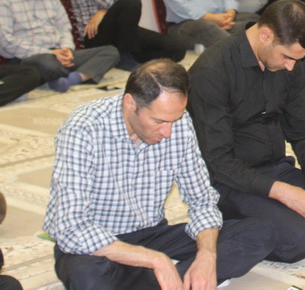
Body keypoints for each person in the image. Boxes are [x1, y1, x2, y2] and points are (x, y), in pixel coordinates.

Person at [43, 59, 275, 289]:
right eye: (159, 121)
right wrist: (156, 260)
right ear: (130, 103)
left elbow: (202, 201)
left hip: (152, 235)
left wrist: (207, 256)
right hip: (99, 244)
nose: (168, 132)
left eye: (174, 120)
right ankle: (170, 280)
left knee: (259, 233)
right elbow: (71, 226)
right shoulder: (84, 128)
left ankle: (159, 281)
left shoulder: (178, 122)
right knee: (86, 276)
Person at [187, 0, 305, 263]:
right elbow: (218, 161)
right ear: (266, 35)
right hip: (228, 182)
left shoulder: (289, 63)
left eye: (297, 59)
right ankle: (231, 220)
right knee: (297, 242)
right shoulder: (213, 70)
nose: (291, 67)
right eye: (287, 57)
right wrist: (286, 194)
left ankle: (278, 218)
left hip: (276, 168)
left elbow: (303, 130)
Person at [0, 0, 118, 93]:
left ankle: (71, 79)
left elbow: (64, 27)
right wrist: (50, 53)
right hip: (30, 57)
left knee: (111, 51)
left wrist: (66, 49)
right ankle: (74, 73)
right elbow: (6, 42)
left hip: (58, 53)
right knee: (48, 64)